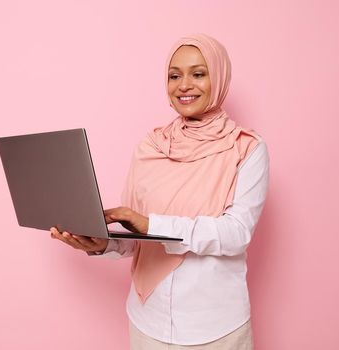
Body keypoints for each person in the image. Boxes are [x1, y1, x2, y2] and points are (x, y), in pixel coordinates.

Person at [50, 33, 269, 350]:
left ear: (219, 77)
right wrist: (102, 243)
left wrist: (153, 225)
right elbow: (137, 237)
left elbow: (236, 233)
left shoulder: (247, 148)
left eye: (198, 73)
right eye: (174, 75)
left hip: (216, 328)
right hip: (146, 323)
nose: (184, 85)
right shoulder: (151, 146)